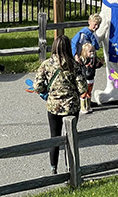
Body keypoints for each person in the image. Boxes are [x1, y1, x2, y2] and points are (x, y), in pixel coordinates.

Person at [34, 35, 86, 174]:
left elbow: (37, 86)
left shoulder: (46, 64)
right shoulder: (74, 65)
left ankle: (53, 168)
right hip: (71, 105)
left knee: (55, 136)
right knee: (70, 137)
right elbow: (82, 88)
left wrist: (46, 90)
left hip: (54, 105)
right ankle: (71, 167)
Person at [79, 42, 103, 114]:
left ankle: (88, 105)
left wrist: (100, 63)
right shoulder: (83, 60)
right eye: (90, 51)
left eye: (93, 51)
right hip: (85, 79)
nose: (92, 53)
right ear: (85, 52)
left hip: (91, 78)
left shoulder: (94, 59)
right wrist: (87, 65)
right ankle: (83, 107)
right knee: (84, 93)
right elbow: (82, 68)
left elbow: (96, 66)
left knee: (89, 92)